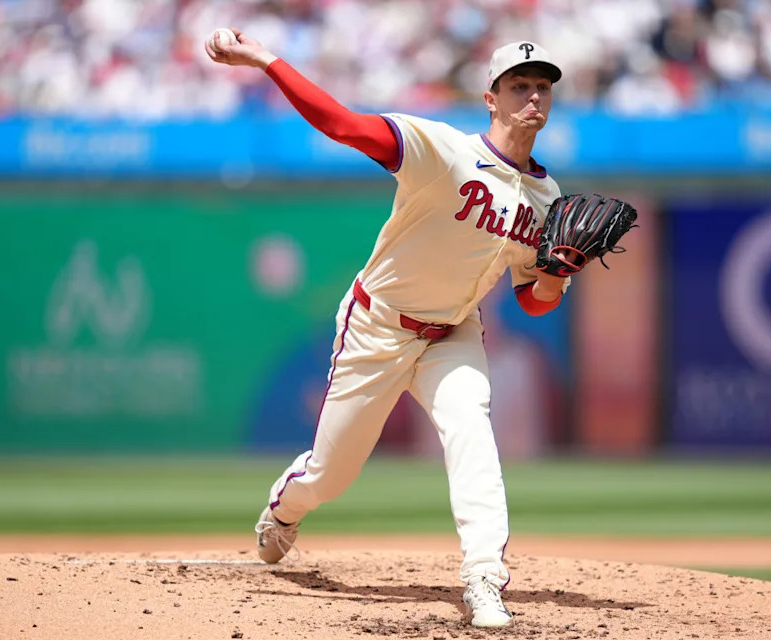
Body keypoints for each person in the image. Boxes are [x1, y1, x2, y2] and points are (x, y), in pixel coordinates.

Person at [206, 31, 569, 629]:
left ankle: (484, 578)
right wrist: (266, 61)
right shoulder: (442, 150)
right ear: (491, 97)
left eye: (542, 87)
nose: (533, 96)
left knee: (471, 426)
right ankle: (283, 510)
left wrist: (560, 273)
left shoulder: (546, 198)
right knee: (331, 473)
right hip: (377, 325)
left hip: (452, 333)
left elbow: (532, 301)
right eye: (519, 85)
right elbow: (344, 126)